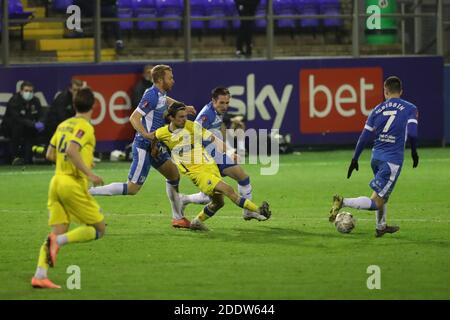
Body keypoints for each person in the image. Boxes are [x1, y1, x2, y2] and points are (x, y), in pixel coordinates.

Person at [88, 65, 197, 229]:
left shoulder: (161, 94)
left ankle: (178, 218)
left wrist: (182, 106)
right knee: (132, 188)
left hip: (156, 145)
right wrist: (145, 134)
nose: (173, 80)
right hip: (144, 146)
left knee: (174, 175)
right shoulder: (151, 95)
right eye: (170, 78)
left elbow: (165, 100)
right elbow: (134, 118)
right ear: (160, 80)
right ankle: (88, 193)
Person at [149, 102, 271, 231]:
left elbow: (213, 138)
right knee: (228, 190)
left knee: (218, 203)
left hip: (210, 166)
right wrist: (154, 149)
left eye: (185, 116)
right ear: (171, 118)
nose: (184, 120)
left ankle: (196, 222)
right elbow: (154, 137)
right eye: (181, 117)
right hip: (198, 174)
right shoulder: (162, 132)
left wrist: (229, 152)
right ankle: (258, 210)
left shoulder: (191, 126)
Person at [31, 88, 105, 289]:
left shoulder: (63, 125)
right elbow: (72, 150)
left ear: (74, 105)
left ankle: (40, 274)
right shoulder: (85, 127)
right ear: (93, 106)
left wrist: (83, 161)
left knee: (57, 230)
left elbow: (49, 154)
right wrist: (89, 173)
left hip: (56, 181)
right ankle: (60, 242)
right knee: (99, 228)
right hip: (71, 183)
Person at [329, 76, 419, 238]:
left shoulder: (376, 110)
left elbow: (364, 137)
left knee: (383, 194)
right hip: (392, 160)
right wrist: (414, 151)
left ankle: (381, 227)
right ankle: (343, 202)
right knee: (377, 201)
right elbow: (412, 132)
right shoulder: (410, 108)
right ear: (401, 91)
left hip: (376, 157)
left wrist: (354, 159)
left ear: (385, 91)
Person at [180, 87, 266, 221]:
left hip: (216, 153)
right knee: (210, 197)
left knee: (242, 177)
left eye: (227, 103)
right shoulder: (206, 114)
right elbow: (195, 132)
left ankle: (248, 212)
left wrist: (227, 149)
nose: (225, 106)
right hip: (206, 158)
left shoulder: (217, 112)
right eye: (222, 103)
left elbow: (218, 130)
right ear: (213, 101)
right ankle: (184, 200)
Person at [3, 81, 45, 165]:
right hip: (10, 128)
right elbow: (17, 118)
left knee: (32, 132)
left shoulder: (35, 100)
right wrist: (33, 124)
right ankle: (14, 157)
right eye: (26, 91)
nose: (28, 93)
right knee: (18, 127)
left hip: (28, 128)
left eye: (31, 91)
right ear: (21, 91)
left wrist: (41, 122)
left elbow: (41, 114)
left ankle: (30, 158)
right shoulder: (14, 101)